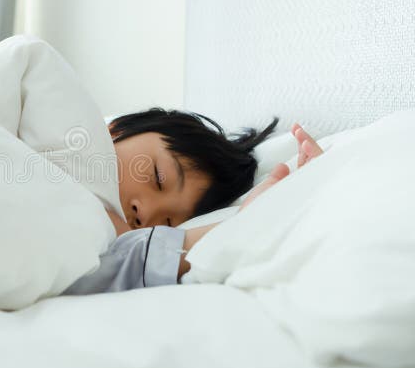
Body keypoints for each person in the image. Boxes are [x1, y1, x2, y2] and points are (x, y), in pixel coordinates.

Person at [62, 119, 324, 295]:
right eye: (157, 178)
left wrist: (249, 221)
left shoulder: (96, 252)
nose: (146, 214)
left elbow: (133, 258)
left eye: (166, 223)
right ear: (115, 130)